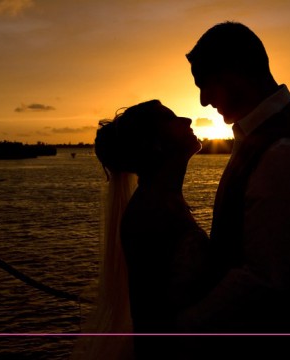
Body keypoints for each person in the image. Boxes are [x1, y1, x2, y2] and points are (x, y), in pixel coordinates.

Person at [179, 22, 290, 359]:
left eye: (206, 85)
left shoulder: (285, 150)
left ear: (234, 71)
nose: (204, 101)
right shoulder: (264, 136)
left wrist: (184, 327)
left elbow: (265, 278)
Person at [71, 100, 208, 359]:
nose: (187, 120)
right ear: (153, 143)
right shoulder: (150, 213)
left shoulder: (164, 201)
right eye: (171, 118)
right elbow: (152, 316)